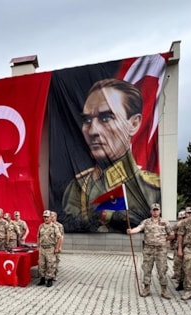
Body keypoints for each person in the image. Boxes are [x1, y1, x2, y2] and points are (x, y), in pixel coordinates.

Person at [61, 78, 160, 232]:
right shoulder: (76, 187)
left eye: (106, 118)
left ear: (133, 124)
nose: (93, 131)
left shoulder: (151, 188)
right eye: (87, 120)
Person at [127, 203, 174, 298]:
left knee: (162, 270)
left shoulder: (165, 222)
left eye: (157, 210)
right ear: (151, 211)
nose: (155, 211)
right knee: (146, 269)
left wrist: (164, 240)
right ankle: (146, 289)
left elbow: (172, 235)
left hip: (161, 250)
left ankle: (164, 290)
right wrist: (132, 231)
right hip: (148, 249)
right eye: (153, 210)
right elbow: (139, 228)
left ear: (160, 211)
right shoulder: (146, 222)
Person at [37, 210, 63, 287]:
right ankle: (42, 278)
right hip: (42, 248)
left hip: (50, 248)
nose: (46, 218)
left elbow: (59, 238)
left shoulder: (54, 226)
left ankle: (49, 279)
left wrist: (57, 248)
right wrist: (38, 246)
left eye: (47, 217)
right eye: (44, 217)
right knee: (41, 264)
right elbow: (38, 236)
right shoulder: (41, 226)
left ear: (50, 217)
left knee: (50, 264)